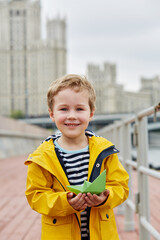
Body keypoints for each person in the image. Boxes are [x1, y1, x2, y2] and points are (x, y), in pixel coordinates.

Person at [25, 74, 129, 240]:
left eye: (79, 109)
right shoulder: (41, 157)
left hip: (101, 234)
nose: (72, 115)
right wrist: (65, 202)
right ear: (52, 114)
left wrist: (106, 196)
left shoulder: (105, 151)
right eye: (64, 109)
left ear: (91, 113)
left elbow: (121, 186)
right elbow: (36, 196)